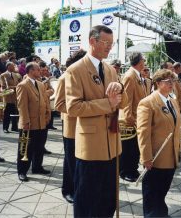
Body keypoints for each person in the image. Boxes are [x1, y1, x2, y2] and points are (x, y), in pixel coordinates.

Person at [65, 25, 127, 217]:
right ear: (92, 41)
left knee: (108, 198)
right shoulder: (75, 70)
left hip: (112, 143)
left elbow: (120, 103)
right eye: (106, 43)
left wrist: (120, 89)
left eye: (112, 43)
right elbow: (73, 107)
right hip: (90, 146)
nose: (109, 47)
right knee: (87, 198)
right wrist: (107, 103)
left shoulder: (110, 69)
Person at [137, 69, 181, 217]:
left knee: (161, 192)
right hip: (155, 158)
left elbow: (176, 129)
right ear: (157, 83)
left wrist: (179, 151)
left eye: (173, 81)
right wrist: (146, 157)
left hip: (171, 157)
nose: (172, 84)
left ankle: (161, 213)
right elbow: (143, 132)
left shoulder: (173, 102)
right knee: (152, 194)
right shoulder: (148, 103)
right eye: (168, 81)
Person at [54, 49, 87, 204]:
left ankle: (79, 189)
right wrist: (80, 108)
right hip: (72, 127)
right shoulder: (64, 78)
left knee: (80, 162)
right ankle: (67, 190)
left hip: (85, 127)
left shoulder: (83, 76)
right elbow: (59, 104)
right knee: (70, 161)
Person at [16, 62, 51, 182]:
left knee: (39, 147)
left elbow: (44, 101)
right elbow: (22, 106)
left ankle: (37, 167)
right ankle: (22, 171)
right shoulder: (23, 85)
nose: (40, 71)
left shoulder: (40, 84)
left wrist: (47, 115)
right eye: (38, 69)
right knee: (25, 149)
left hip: (41, 122)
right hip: (28, 124)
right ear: (31, 71)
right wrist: (25, 122)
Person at [119, 52, 151, 182]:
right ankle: (125, 171)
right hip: (130, 120)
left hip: (137, 118)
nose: (145, 62)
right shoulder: (130, 76)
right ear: (139, 62)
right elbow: (127, 100)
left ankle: (132, 169)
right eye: (144, 60)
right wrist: (129, 119)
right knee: (128, 148)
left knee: (134, 149)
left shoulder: (137, 75)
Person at [0, 62, 19, 133]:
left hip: (15, 97)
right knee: (7, 113)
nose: (14, 67)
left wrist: (16, 87)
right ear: (8, 67)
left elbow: (18, 84)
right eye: (12, 66)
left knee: (15, 113)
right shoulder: (3, 75)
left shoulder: (15, 75)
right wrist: (16, 87)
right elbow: (4, 86)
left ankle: (14, 127)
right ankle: (5, 128)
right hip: (7, 97)